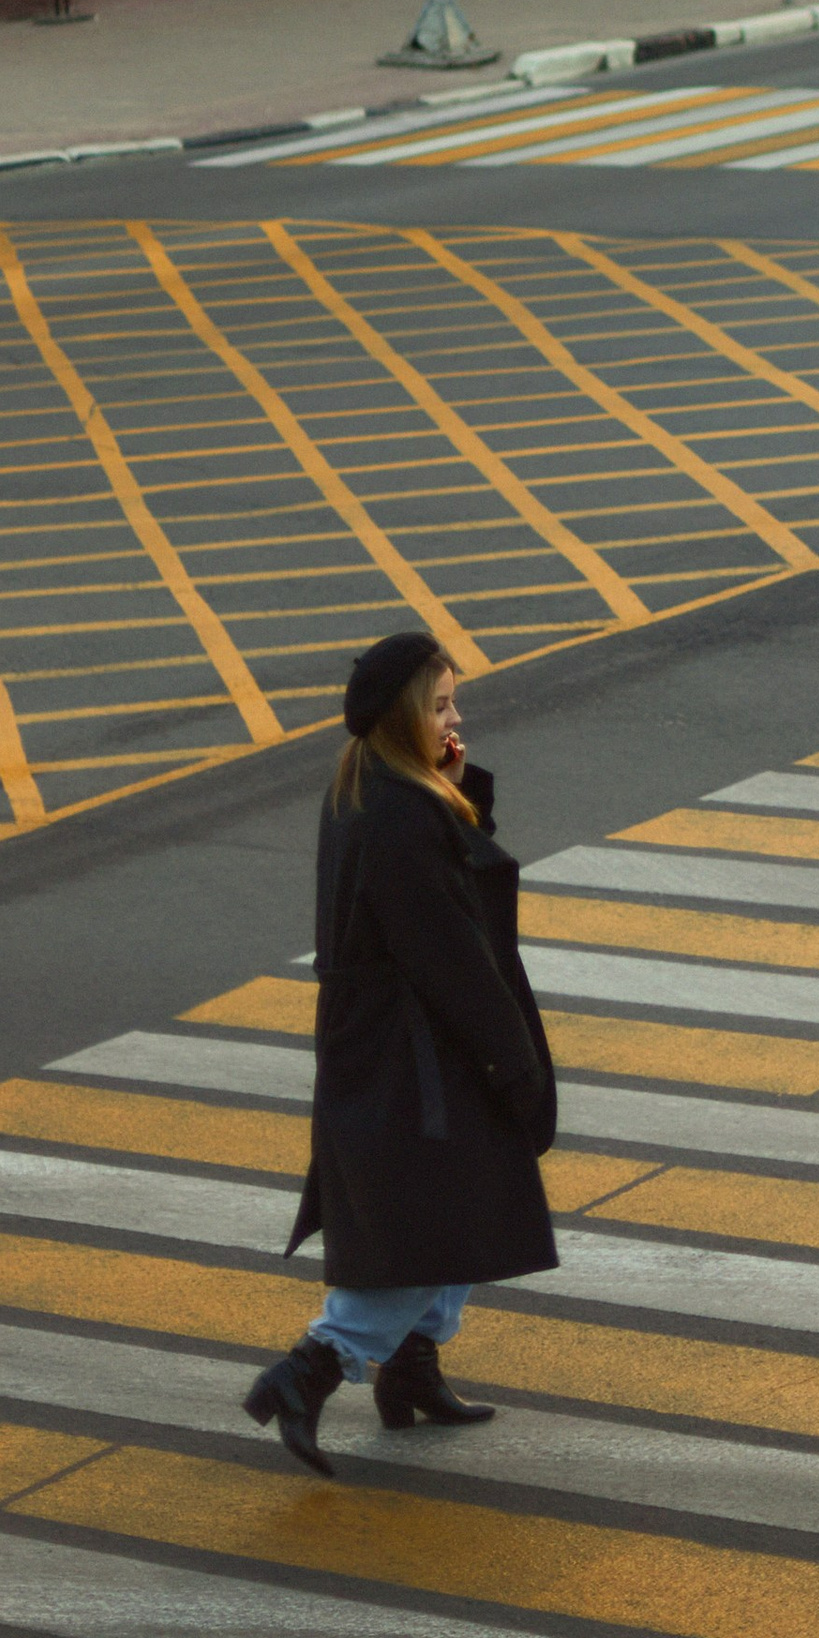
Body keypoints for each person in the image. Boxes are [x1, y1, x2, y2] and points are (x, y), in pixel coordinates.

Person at [245, 632, 559, 1476]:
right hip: (413, 1056)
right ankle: (308, 1372)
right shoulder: (399, 818)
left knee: (453, 1205)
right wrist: (515, 1065)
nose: (458, 719)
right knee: (431, 1214)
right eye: (443, 706)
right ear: (403, 718)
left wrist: (457, 788)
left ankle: (413, 1370)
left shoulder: (373, 788)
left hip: (390, 1045)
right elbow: (454, 955)